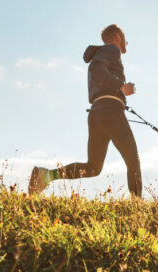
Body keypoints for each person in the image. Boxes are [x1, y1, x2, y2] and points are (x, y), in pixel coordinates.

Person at [27, 24, 142, 197]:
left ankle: (46, 175)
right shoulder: (112, 50)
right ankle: (137, 208)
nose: (126, 42)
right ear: (118, 36)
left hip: (97, 113)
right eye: (125, 37)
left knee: (93, 167)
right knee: (133, 160)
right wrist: (121, 86)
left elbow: (97, 70)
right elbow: (95, 68)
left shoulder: (103, 53)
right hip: (111, 112)